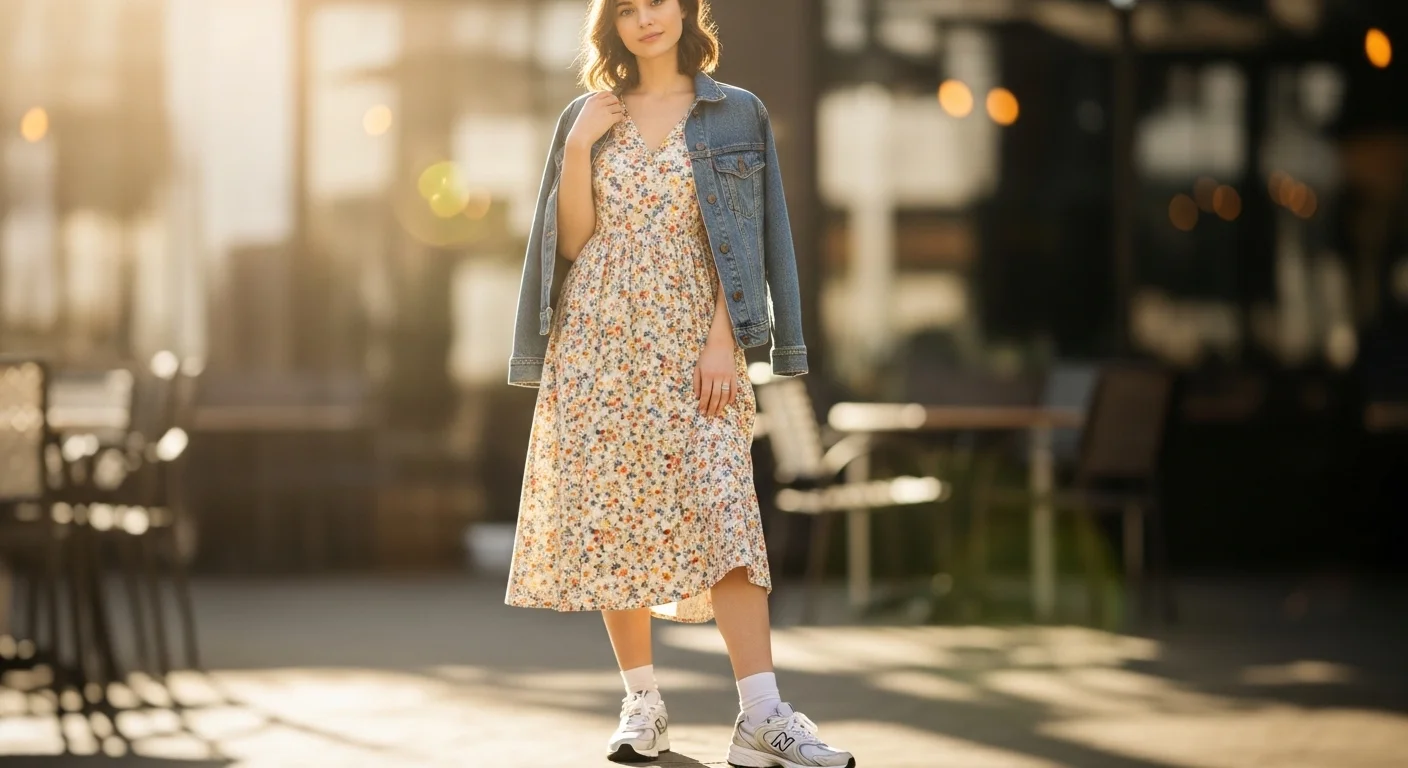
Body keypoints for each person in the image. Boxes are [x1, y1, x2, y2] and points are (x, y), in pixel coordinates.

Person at [504, 1, 854, 766]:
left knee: (728, 514)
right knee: (615, 519)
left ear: (687, 7)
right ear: (611, 23)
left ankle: (762, 715)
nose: (645, 18)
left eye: (657, 0)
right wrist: (578, 147)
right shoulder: (587, 115)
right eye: (626, 7)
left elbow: (750, 238)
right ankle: (642, 704)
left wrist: (725, 341)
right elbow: (574, 242)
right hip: (598, 345)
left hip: (698, 345)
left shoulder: (736, 114)